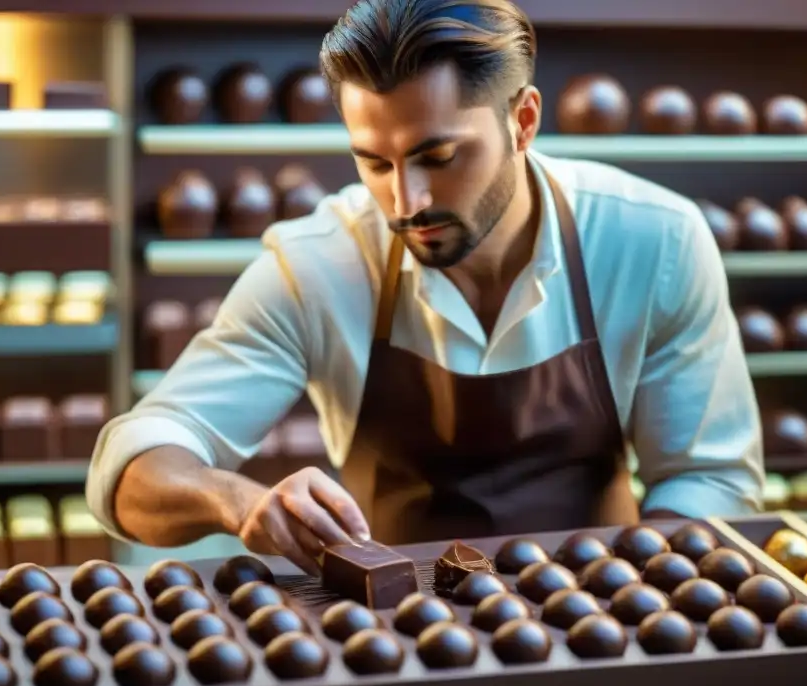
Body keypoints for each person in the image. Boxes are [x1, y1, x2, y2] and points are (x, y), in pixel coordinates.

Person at [86, 0, 764, 575]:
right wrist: (236, 502)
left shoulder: (653, 240)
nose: (404, 200)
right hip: (390, 642)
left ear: (522, 121)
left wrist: (641, 593)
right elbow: (133, 466)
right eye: (374, 162)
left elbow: (709, 478)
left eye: (438, 157)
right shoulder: (318, 263)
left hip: (604, 623)